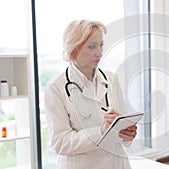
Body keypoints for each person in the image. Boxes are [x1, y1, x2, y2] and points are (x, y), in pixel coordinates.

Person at [44, 20, 137, 169]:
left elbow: (122, 121)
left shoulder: (111, 79)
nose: (99, 53)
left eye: (101, 45)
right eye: (92, 46)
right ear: (73, 49)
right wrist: (101, 132)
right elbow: (60, 142)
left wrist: (127, 134)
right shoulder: (55, 88)